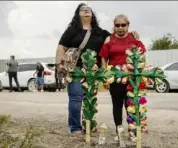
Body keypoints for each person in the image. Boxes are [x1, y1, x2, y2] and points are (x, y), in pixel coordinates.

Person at [56, 3, 139, 137]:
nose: (86, 11)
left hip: (92, 72)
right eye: (83, 10)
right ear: (78, 14)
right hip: (75, 70)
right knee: (76, 98)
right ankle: (75, 128)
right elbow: (61, 47)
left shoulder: (100, 31)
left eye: (88, 10)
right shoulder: (72, 30)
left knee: (90, 100)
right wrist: (59, 64)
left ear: (92, 14)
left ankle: (88, 126)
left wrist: (132, 33)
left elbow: (117, 36)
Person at [99, 14, 147, 141]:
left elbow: (142, 57)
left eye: (123, 25)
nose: (120, 28)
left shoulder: (134, 38)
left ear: (128, 25)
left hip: (131, 77)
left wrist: (140, 73)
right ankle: (119, 130)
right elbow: (103, 58)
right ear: (114, 26)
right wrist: (105, 76)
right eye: (117, 25)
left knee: (131, 103)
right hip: (115, 78)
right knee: (117, 104)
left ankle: (133, 131)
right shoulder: (109, 39)